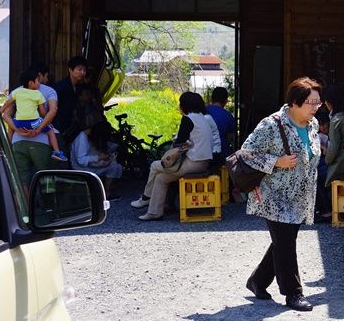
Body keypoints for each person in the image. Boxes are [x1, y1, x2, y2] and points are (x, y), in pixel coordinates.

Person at [242, 77, 322, 312]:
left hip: (300, 196)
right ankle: (293, 293)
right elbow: (246, 153)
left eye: (318, 102)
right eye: (311, 102)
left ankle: (257, 281)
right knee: (286, 242)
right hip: (274, 195)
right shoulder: (272, 124)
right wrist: (276, 161)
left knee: (283, 241)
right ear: (295, 102)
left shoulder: (312, 124)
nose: (316, 107)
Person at [131, 91, 215, 221]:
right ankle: (154, 213)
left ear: (185, 105)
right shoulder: (203, 118)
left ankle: (145, 198)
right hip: (203, 163)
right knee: (161, 178)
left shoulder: (188, 119)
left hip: (192, 163)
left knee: (154, 165)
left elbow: (178, 142)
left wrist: (182, 144)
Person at [5, 69, 66, 161]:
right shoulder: (39, 93)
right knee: (50, 130)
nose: (45, 81)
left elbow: (5, 114)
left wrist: (17, 129)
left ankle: (6, 150)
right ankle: (57, 152)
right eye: (38, 79)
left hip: (18, 130)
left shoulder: (17, 92)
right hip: (35, 125)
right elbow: (48, 112)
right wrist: (41, 127)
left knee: (11, 124)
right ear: (32, 81)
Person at [70, 118, 123, 200]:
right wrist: (98, 157)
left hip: (89, 165)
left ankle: (107, 190)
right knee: (114, 168)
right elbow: (80, 160)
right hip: (81, 168)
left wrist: (103, 157)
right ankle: (106, 194)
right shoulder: (82, 138)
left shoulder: (89, 137)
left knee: (116, 166)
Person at [52, 55, 89, 153]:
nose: (82, 73)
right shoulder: (61, 87)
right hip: (57, 127)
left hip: (68, 127)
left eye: (84, 70)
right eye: (79, 69)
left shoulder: (78, 87)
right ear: (70, 70)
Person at [206, 86, 237, 156]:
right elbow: (229, 138)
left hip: (203, 153)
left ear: (211, 98)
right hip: (221, 153)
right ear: (226, 101)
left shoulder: (202, 111)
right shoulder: (228, 116)